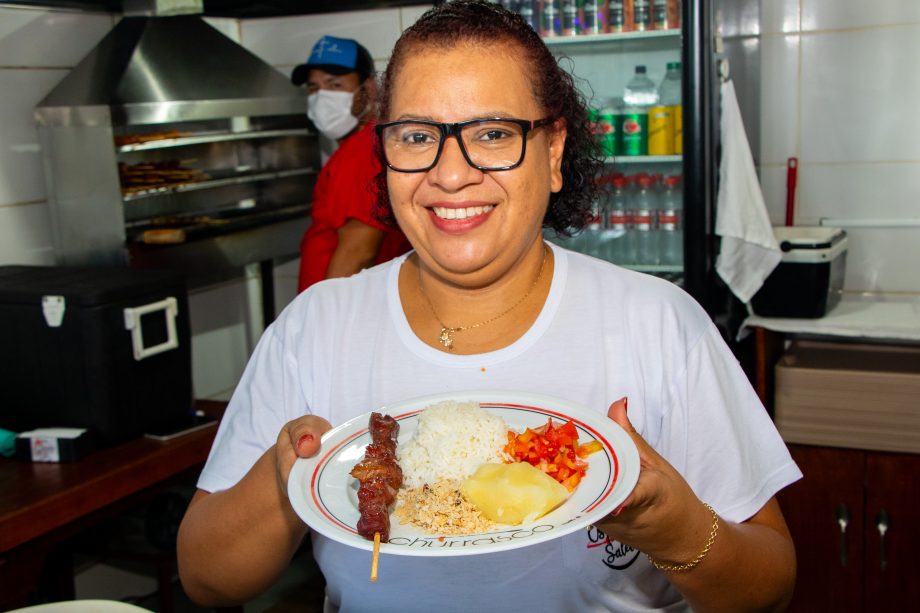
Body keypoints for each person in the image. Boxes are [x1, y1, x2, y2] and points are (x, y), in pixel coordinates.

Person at [178, 2, 802, 611]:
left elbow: (769, 585)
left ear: (554, 151)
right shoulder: (315, 327)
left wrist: (677, 529)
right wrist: (286, 474)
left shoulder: (659, 323)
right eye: (418, 136)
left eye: (493, 134)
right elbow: (207, 582)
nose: (451, 175)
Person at [291, 35, 411, 292]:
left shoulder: (363, 147)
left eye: (335, 85)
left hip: (338, 313)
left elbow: (358, 250)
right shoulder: (362, 145)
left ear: (369, 89)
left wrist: (323, 318)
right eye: (314, 88)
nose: (321, 97)